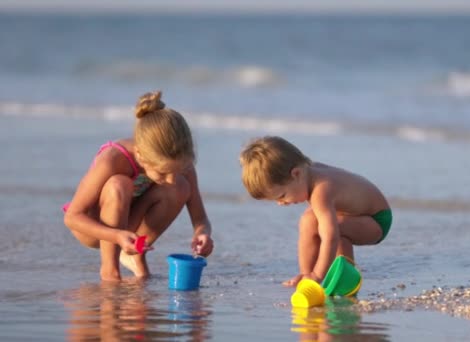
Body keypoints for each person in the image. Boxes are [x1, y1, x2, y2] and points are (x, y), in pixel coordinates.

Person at [63, 91, 213, 281]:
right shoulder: (113, 159)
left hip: (127, 228)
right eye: (162, 173)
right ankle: (110, 270)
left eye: (177, 170)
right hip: (95, 229)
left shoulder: (180, 162)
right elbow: (72, 217)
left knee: (181, 187)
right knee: (119, 184)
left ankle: (135, 253)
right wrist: (116, 236)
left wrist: (203, 234)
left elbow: (200, 218)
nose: (170, 179)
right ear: (141, 156)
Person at [239, 136, 392, 287]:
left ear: (296, 174)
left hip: (376, 220)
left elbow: (330, 237)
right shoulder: (308, 173)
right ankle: (306, 274)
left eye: (282, 196)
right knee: (308, 220)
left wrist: (318, 275)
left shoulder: (321, 191)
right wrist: (310, 274)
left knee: (332, 228)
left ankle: (347, 276)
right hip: (352, 216)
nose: (281, 203)